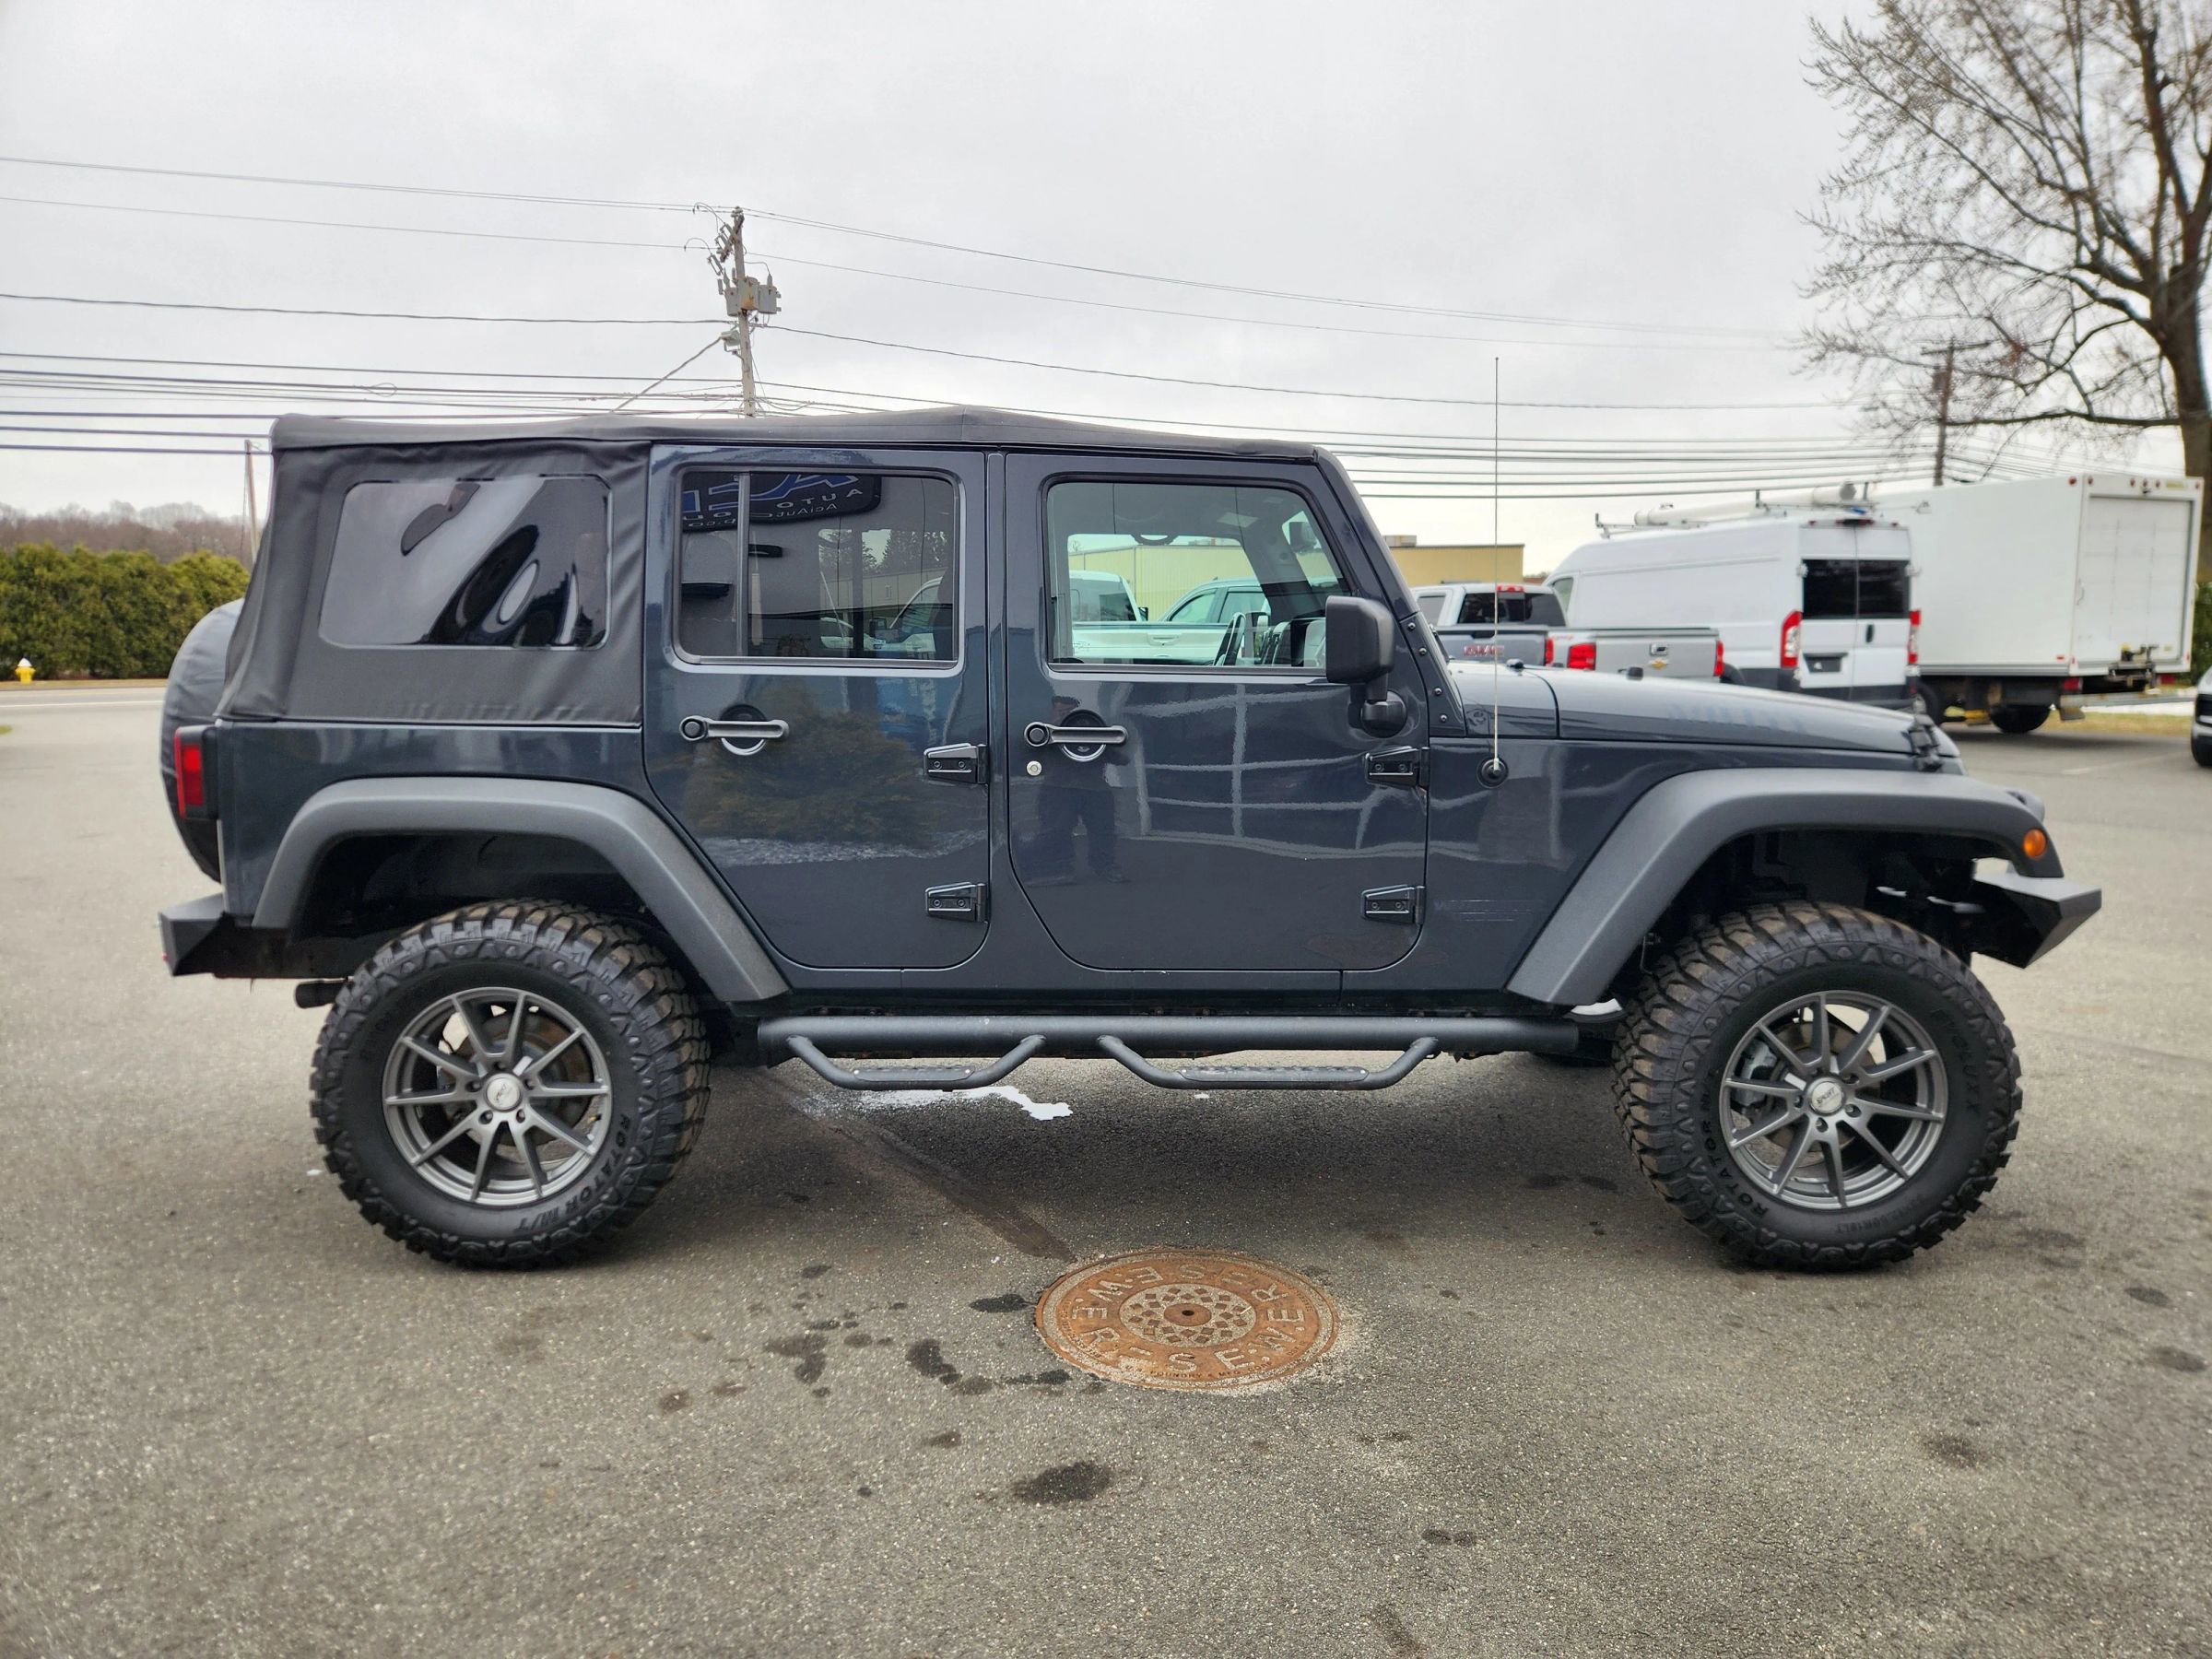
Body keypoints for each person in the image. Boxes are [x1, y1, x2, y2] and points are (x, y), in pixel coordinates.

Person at [1031, 694, 1125, 882]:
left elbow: (1121, 759)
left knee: (1103, 830)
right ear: (1052, 713)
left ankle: (1105, 867)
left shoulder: (1093, 729)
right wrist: (1055, 731)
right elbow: (1033, 755)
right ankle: (1059, 868)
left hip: (1095, 787)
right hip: (1058, 786)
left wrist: (1097, 736)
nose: (1066, 717)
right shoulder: (1045, 731)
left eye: (1070, 713)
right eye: (1061, 712)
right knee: (1056, 829)